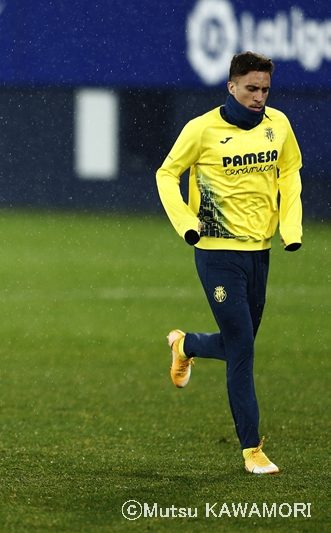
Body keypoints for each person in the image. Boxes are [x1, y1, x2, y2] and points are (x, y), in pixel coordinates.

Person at [156, 51, 303, 475]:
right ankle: (252, 450)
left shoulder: (279, 125)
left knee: (241, 341)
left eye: (265, 90)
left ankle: (186, 345)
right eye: (251, 88)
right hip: (217, 253)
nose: (259, 97)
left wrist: (291, 226)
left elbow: (290, 172)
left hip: (260, 252)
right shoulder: (201, 129)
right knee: (242, 350)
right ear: (231, 86)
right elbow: (166, 173)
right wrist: (187, 223)